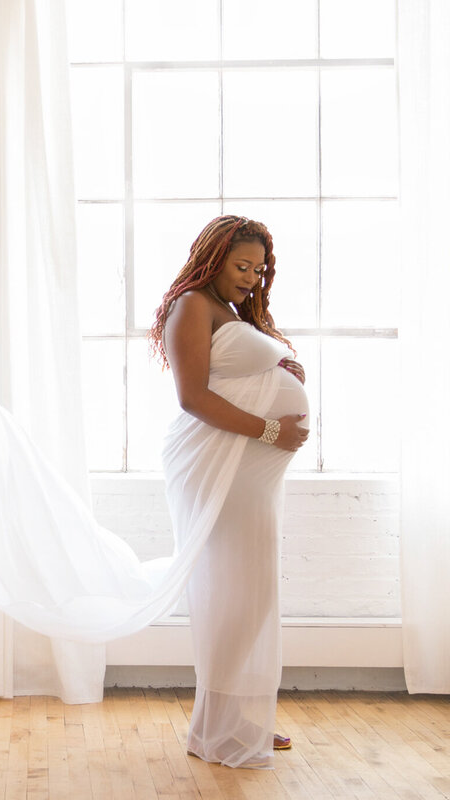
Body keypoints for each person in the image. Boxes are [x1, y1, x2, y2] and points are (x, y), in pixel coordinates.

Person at [148, 215, 309, 769]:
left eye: (259, 269)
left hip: (246, 471)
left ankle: (235, 718)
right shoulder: (192, 304)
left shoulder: (231, 310)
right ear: (211, 258)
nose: (251, 277)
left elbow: (231, 374)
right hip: (220, 466)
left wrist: (282, 366)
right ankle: (217, 728)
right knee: (235, 595)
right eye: (242, 266)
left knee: (248, 593)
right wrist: (273, 429)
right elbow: (193, 397)